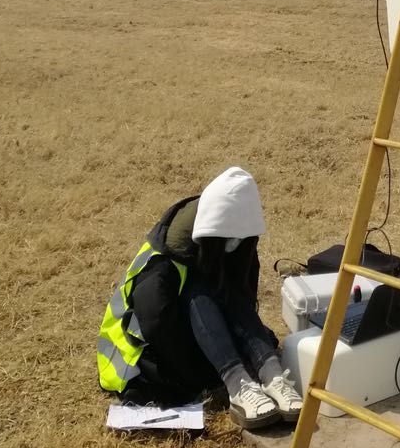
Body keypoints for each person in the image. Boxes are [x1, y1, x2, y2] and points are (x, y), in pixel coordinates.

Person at [97, 166, 304, 431]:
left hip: (190, 335)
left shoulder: (231, 239)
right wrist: (204, 376)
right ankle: (238, 387)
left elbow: (242, 296)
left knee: (226, 291)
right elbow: (157, 326)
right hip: (139, 355)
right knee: (198, 292)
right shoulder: (162, 269)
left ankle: (273, 376)